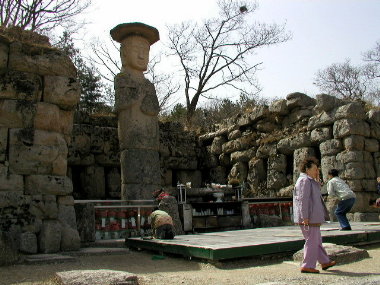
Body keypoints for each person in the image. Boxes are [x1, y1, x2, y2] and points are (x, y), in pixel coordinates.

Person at [293, 157, 336, 274]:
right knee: (312, 241)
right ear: (307, 169)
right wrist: (305, 217)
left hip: (312, 216)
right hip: (309, 217)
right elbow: (303, 200)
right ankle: (307, 265)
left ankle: (324, 261)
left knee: (316, 241)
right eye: (315, 169)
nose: (317, 172)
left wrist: (317, 181)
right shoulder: (304, 181)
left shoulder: (309, 181)